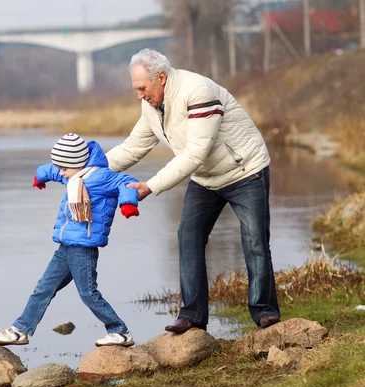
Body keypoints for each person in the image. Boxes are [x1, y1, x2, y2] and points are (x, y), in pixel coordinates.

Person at [106, 48, 281, 333]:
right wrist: (90, 171)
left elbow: (195, 154)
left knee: (255, 241)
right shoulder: (151, 105)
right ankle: (192, 316)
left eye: (142, 88)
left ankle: (265, 312)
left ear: (161, 77)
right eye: (136, 89)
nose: (139, 95)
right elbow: (134, 147)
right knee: (188, 237)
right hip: (206, 179)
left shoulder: (198, 91)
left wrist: (150, 187)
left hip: (245, 171)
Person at [0, 133, 141, 347]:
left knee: (88, 293)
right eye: (60, 168)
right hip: (66, 245)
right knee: (43, 288)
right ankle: (20, 330)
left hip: (83, 248)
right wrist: (40, 177)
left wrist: (128, 203)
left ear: (78, 164)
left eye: (64, 169)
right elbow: (51, 169)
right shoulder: (72, 175)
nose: (61, 173)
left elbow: (127, 183)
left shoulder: (101, 177)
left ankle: (120, 331)